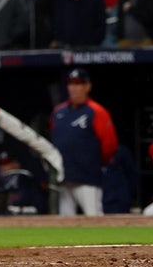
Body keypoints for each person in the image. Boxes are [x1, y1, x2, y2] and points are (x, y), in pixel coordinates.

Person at [50, 68, 118, 216]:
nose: (74, 88)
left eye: (78, 83)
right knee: (65, 223)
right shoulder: (58, 112)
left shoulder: (96, 111)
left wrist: (94, 163)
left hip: (88, 178)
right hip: (64, 177)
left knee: (94, 218)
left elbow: (109, 146)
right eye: (71, 84)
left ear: (87, 86)